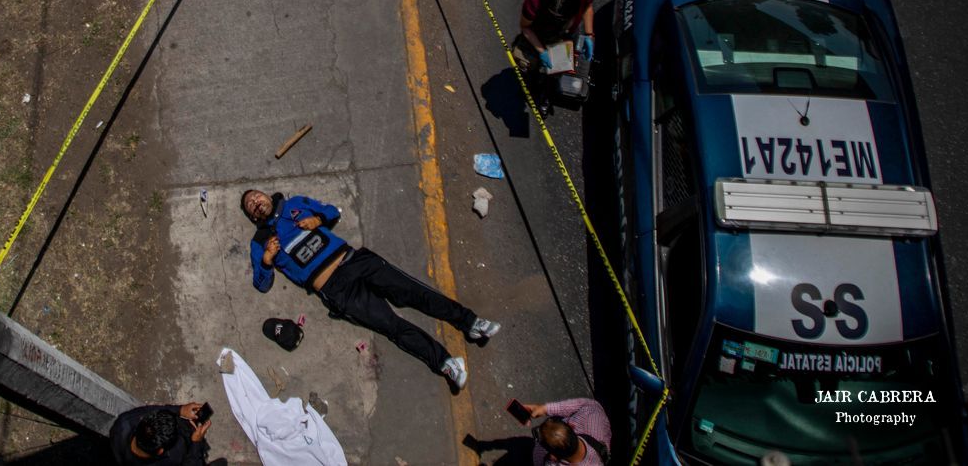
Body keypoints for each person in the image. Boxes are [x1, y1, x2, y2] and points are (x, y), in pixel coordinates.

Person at [241, 189, 500, 390]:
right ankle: (446, 364)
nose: (255, 201)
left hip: (355, 261)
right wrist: (266, 260)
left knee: (413, 292)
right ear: (254, 216)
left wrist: (317, 219)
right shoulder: (260, 242)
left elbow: (332, 212)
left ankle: (470, 322)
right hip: (336, 289)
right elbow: (261, 284)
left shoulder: (296, 203)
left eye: (256, 196)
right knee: (391, 326)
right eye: (250, 205)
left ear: (267, 195)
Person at [512, 0, 594, 114]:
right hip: (538, 36)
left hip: (565, 37)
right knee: (525, 63)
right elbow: (526, 28)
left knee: (557, 70)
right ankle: (530, 80)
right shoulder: (533, 4)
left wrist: (589, 35)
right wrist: (542, 51)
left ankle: (546, 95)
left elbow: (588, 7)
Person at [109, 402, 211, 465]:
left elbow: (150, 410)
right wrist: (196, 443)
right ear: (160, 451)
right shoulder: (174, 456)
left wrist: (180, 410)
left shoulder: (123, 424)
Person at [529, 397, 611, 465]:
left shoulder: (551, 464)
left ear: (553, 457)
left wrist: (546, 409)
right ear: (571, 425)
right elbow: (591, 404)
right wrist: (545, 409)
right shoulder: (591, 416)